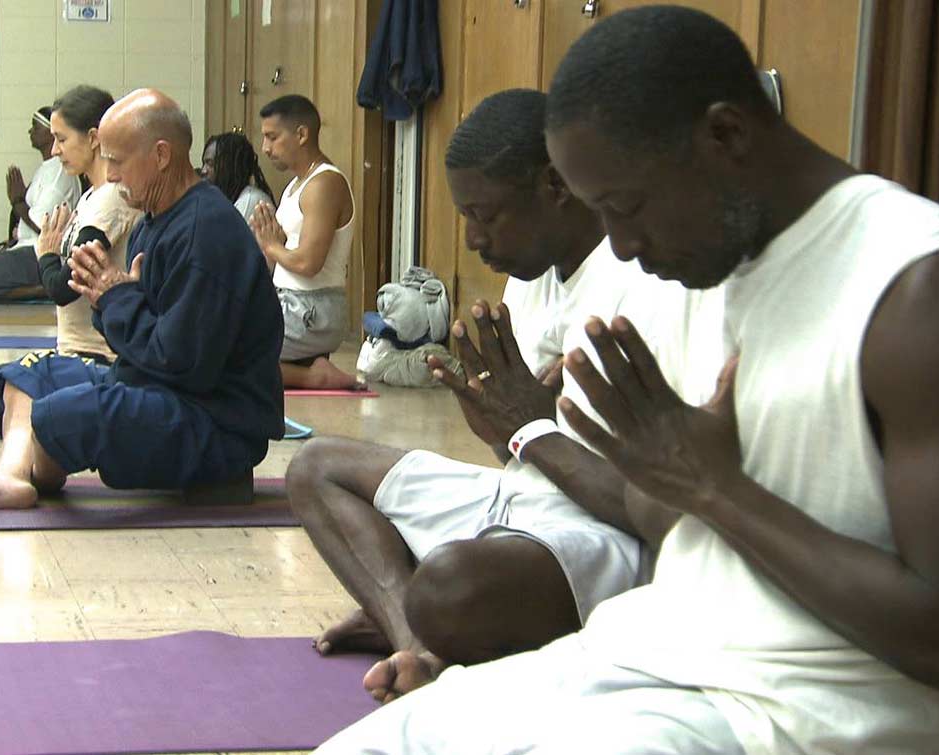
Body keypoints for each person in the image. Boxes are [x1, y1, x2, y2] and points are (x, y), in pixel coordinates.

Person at [315, 7, 939, 754]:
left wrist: (715, 486)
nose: (623, 246)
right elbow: (669, 527)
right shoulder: (704, 267)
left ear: (725, 135)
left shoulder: (924, 289)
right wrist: (638, 462)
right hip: (652, 653)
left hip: (812, 710)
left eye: (626, 207)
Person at [287, 88, 722, 704]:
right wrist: (498, 424)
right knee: (316, 467)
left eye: (485, 216)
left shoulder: (644, 285)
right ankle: (417, 642)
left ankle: (420, 617)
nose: (470, 240)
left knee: (452, 585)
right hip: (526, 496)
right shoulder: (530, 276)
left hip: (602, 531)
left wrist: (528, 428)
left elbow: (654, 512)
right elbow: (518, 452)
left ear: (555, 186)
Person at [0, 88, 285, 513]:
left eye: (116, 161)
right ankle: (15, 473)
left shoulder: (205, 233)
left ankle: (20, 465)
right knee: (30, 375)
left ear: (161, 155)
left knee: (61, 413)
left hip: (214, 424)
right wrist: (110, 300)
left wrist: (116, 298)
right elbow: (141, 347)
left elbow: (183, 365)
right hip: (157, 387)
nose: (110, 175)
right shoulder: (156, 221)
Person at [0, 86, 143, 437]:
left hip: (98, 358)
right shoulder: (90, 195)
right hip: (71, 350)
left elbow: (62, 288)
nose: (54, 150)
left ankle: (74, 408)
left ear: (93, 138)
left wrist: (47, 254)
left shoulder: (111, 201)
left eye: (61, 139)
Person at [249, 95, 361, 390]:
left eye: (272, 137)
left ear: (301, 134)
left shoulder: (325, 184)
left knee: (223, 355)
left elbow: (308, 263)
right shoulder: (294, 186)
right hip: (289, 303)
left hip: (312, 311)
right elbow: (284, 256)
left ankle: (315, 376)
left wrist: (271, 245)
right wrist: (266, 246)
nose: (265, 148)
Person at [0, 106, 82, 301]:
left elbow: (44, 227)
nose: (30, 131)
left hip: (38, 252)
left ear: (50, 133)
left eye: (35, 127)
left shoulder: (59, 174)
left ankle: (46, 288)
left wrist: (17, 201)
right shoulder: (47, 168)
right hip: (26, 247)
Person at [200, 131, 274, 222]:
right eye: (204, 164)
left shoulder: (249, 201)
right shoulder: (229, 199)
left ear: (230, 166)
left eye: (210, 164)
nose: (203, 171)